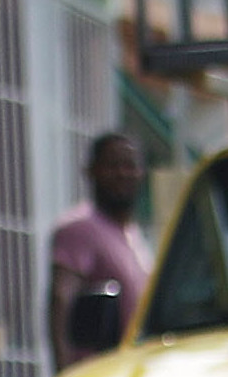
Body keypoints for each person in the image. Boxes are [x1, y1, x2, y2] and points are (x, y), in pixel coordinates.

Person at [46, 129, 151, 365]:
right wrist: (65, 376)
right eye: (112, 165)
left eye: (130, 165)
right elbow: (61, 300)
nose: (123, 174)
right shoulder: (78, 229)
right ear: (91, 172)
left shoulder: (135, 236)